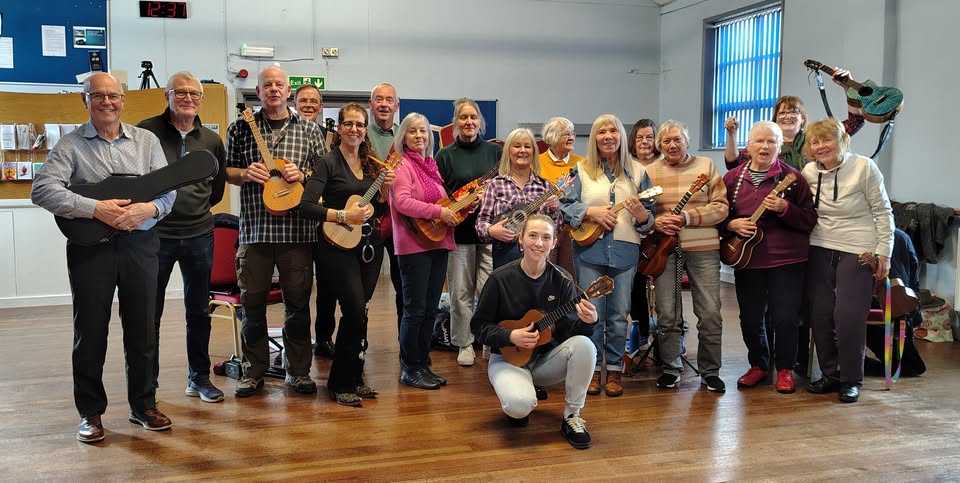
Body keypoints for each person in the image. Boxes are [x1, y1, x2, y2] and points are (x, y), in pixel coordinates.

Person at [31, 72, 175, 443]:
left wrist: (149, 211)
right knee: (90, 331)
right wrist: (96, 208)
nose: (107, 102)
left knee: (143, 328)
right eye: (98, 96)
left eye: (113, 96)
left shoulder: (146, 141)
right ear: (85, 100)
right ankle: (90, 413)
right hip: (90, 249)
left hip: (140, 246)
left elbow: (168, 194)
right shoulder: (70, 145)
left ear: (123, 100)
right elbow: (42, 189)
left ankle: (144, 405)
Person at [225, 66, 325, 398]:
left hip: (298, 233)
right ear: (257, 90)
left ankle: (298, 372)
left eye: (279, 84)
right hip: (255, 232)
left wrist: (304, 173)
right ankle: (251, 372)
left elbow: (323, 175)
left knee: (297, 305)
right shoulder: (240, 128)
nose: (273, 89)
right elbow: (227, 170)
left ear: (287, 89)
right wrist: (244, 173)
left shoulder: (310, 129)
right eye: (267, 85)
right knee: (251, 306)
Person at [137, 71, 228, 403]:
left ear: (201, 99)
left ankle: (199, 378)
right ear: (167, 95)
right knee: (150, 312)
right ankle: (148, 384)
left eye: (194, 93)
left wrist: (195, 209)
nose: (188, 98)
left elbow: (215, 190)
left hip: (199, 234)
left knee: (198, 311)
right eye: (181, 92)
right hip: (153, 235)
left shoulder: (212, 140)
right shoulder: (145, 131)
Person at [472, 214, 599, 449]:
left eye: (546, 237)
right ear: (520, 239)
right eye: (532, 235)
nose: (539, 243)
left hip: (544, 361)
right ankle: (522, 394)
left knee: (585, 345)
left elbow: (569, 334)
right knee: (519, 407)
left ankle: (572, 416)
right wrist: (509, 336)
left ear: (554, 244)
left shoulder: (563, 280)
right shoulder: (500, 278)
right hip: (508, 359)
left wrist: (588, 322)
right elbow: (478, 327)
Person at [300, 103, 393, 406]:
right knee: (353, 309)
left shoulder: (370, 165)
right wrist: (341, 215)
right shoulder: (327, 162)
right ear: (338, 127)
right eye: (349, 123)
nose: (355, 129)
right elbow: (306, 206)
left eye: (360, 124)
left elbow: (373, 210)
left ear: (366, 130)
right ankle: (339, 383)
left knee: (361, 313)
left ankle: (354, 376)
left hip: (369, 246)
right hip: (336, 248)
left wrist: (381, 196)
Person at [559, 114, 655, 398]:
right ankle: (591, 370)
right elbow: (564, 205)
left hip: (626, 250)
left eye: (614, 130)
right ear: (595, 138)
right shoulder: (581, 170)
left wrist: (642, 216)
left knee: (618, 314)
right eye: (602, 131)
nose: (608, 136)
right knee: (593, 314)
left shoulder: (638, 172)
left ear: (622, 137)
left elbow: (649, 219)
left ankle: (614, 370)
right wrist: (590, 212)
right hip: (590, 250)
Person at [802, 117, 894, 403]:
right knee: (820, 313)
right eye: (815, 142)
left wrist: (885, 252)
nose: (821, 146)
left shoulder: (865, 167)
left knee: (849, 316)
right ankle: (830, 374)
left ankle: (851, 379)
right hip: (819, 245)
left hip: (859, 248)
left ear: (842, 140)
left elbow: (883, 212)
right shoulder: (807, 171)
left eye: (826, 140)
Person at [721, 121, 816, 394]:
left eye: (771, 142)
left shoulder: (793, 178)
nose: (765, 147)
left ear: (780, 145)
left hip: (787, 260)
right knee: (750, 318)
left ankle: (785, 369)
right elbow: (719, 215)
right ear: (747, 147)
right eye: (759, 141)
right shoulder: (732, 179)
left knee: (785, 317)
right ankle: (759, 365)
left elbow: (809, 220)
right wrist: (731, 224)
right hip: (747, 260)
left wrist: (786, 208)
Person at [645, 120, 728, 393]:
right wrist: (657, 221)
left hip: (703, 248)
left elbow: (721, 208)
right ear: (659, 145)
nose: (672, 145)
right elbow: (643, 213)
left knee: (710, 313)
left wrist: (687, 217)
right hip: (663, 251)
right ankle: (671, 368)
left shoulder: (706, 166)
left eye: (677, 139)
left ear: (687, 141)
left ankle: (710, 371)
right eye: (666, 141)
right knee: (667, 313)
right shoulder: (649, 171)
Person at [390, 112, 457, 390]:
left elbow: (439, 200)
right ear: (403, 136)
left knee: (430, 309)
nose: (419, 136)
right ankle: (410, 368)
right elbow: (402, 201)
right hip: (413, 246)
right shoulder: (401, 164)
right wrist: (440, 211)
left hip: (437, 242)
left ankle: (422, 360)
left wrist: (458, 207)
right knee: (415, 309)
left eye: (423, 131)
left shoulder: (431, 166)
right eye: (412, 131)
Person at [436, 98, 502, 367]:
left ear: (480, 122)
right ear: (455, 122)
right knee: (461, 293)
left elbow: (505, 188)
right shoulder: (445, 155)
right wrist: (462, 202)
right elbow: (439, 194)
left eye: (473, 117)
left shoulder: (496, 153)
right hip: (458, 233)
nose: (469, 122)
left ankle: (488, 340)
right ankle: (463, 342)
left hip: (489, 233)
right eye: (463, 117)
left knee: (489, 291)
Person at [723, 69, 863, 171]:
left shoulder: (815, 138)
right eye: (782, 113)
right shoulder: (768, 143)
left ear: (802, 119)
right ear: (775, 119)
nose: (787, 116)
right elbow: (733, 164)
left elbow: (855, 122)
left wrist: (848, 87)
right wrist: (732, 134)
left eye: (793, 112)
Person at [476, 127, 561, 268]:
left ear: (533, 152)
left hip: (538, 257)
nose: (522, 150)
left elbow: (556, 228)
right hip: (504, 255)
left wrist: (555, 209)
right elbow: (482, 221)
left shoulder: (546, 187)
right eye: (517, 146)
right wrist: (491, 230)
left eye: (527, 146)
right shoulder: (495, 185)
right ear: (508, 151)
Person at [293, 83, 336, 359]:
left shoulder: (332, 138)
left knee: (328, 286)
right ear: (294, 103)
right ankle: (297, 345)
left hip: (323, 221)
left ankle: (323, 338)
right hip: (294, 222)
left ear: (320, 107)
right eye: (303, 100)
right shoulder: (292, 132)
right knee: (298, 288)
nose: (309, 105)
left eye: (314, 101)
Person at [367, 83, 404, 331]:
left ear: (396, 106)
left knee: (403, 285)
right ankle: (359, 343)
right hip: (368, 216)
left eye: (389, 100)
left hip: (401, 220)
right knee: (364, 285)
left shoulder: (406, 136)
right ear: (371, 104)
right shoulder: (361, 134)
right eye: (379, 99)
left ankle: (407, 343)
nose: (384, 104)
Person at [627, 118, 660, 353]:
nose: (645, 142)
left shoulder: (665, 164)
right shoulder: (626, 166)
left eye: (649, 137)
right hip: (635, 235)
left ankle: (668, 336)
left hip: (663, 236)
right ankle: (640, 331)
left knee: (666, 288)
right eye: (640, 137)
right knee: (635, 285)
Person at [538, 117, 583, 277]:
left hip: (572, 231)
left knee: (569, 280)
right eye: (566, 134)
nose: (572, 138)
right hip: (544, 230)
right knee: (543, 277)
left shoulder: (582, 164)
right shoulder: (536, 162)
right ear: (552, 137)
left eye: (573, 134)